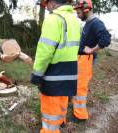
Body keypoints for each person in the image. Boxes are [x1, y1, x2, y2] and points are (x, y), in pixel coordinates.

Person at [31, 0, 81, 132]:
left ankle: (50, 130)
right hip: (70, 72)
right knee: (62, 101)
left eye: (46, 5)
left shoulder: (53, 19)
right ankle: (60, 122)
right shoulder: (74, 20)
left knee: (50, 110)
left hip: (54, 74)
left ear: (52, 2)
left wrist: (36, 74)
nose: (46, 8)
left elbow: (45, 52)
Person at [72, 0, 111, 122]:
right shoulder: (88, 23)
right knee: (77, 86)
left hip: (85, 59)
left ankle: (80, 115)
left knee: (80, 88)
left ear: (86, 10)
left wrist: (92, 50)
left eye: (78, 13)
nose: (77, 15)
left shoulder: (96, 23)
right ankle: (76, 109)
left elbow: (105, 39)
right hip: (81, 59)